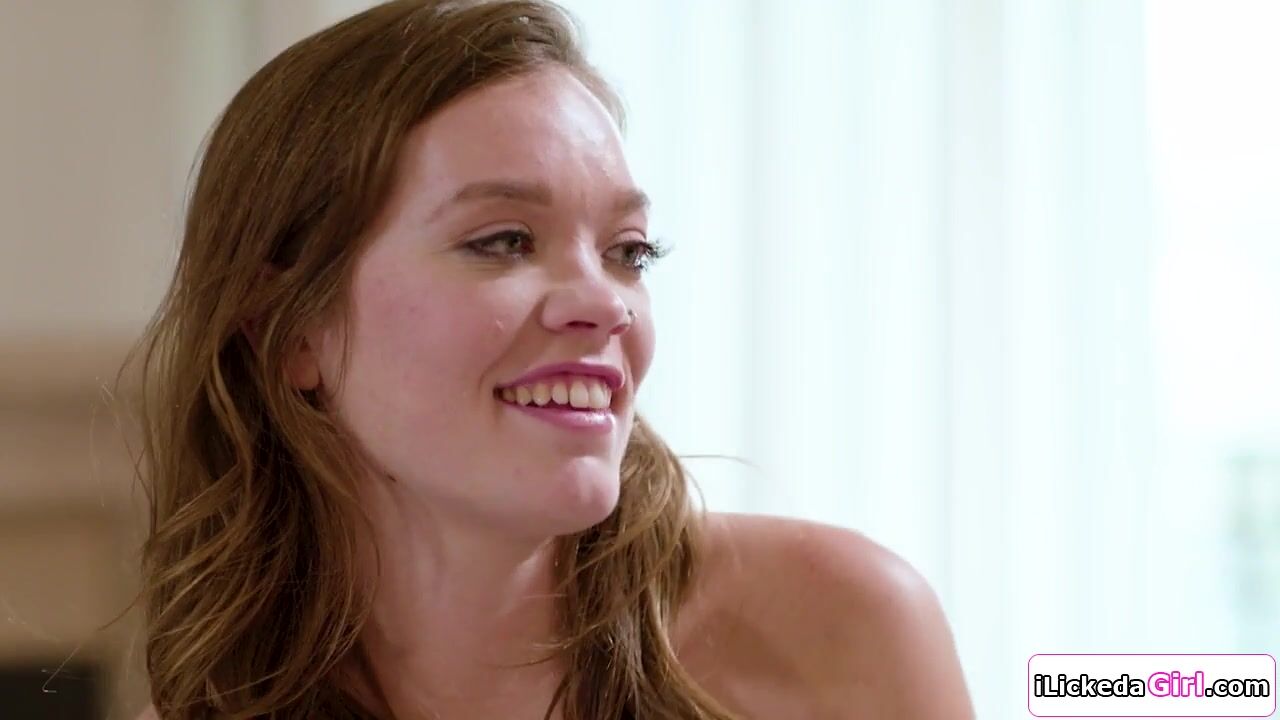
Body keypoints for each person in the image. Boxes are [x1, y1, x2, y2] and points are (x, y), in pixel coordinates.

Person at [131, 1, 974, 718]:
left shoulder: (846, 627)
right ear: (288, 332)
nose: (606, 303)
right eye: (504, 240)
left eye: (628, 251)